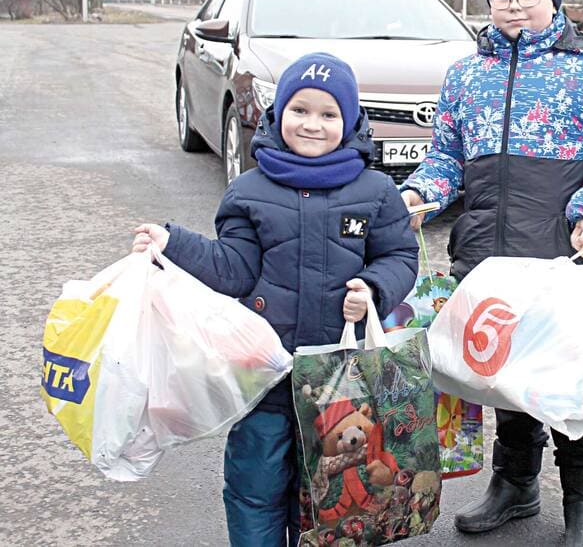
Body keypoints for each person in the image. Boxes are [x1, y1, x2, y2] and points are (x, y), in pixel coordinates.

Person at [400, 0, 583, 546]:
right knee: (502, 369)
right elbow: (446, 159)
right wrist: (416, 197)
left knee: (572, 374)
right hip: (487, 250)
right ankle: (514, 486)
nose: (515, 6)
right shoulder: (467, 75)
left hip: (565, 248)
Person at [132, 52, 418, 547]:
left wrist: (372, 287)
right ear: (277, 112)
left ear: (350, 121)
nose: (312, 124)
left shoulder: (375, 192)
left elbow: (400, 255)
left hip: (341, 387)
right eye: (299, 110)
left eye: (328, 115)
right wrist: (171, 243)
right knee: (254, 487)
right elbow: (234, 268)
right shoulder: (248, 190)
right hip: (265, 374)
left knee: (331, 495)